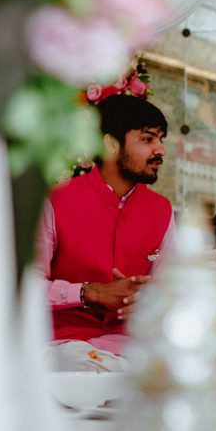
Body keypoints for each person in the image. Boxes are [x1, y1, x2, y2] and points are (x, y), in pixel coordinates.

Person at [37, 94, 174, 370]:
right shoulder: (55, 201)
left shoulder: (161, 209)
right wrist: (91, 293)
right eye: (148, 139)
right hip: (63, 345)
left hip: (135, 348)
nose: (160, 150)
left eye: (161, 140)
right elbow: (25, 288)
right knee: (84, 364)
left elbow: (173, 288)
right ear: (111, 144)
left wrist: (151, 303)